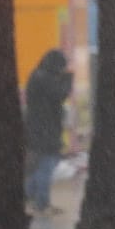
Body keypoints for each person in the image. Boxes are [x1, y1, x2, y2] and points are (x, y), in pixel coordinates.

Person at [24, 49, 72, 214]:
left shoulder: (37, 76)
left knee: (41, 165)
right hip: (46, 130)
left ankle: (28, 195)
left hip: (38, 128)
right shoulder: (45, 78)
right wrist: (68, 79)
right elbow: (60, 95)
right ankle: (41, 202)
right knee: (47, 165)